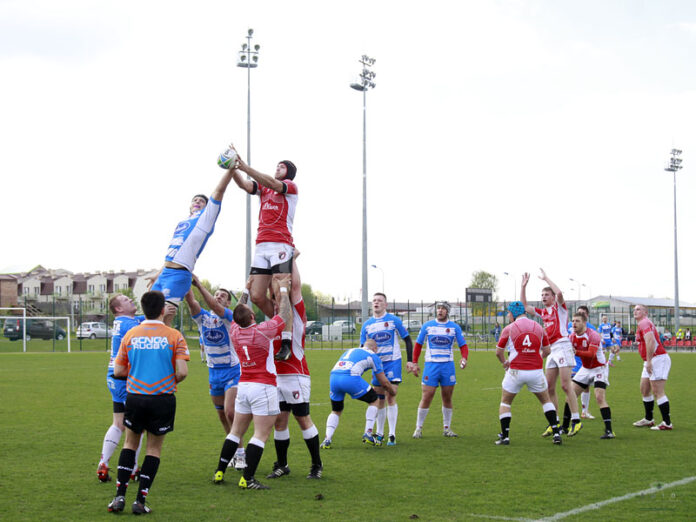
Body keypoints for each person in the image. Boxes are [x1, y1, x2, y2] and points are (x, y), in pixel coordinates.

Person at [107, 291, 189, 515]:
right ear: (163, 310)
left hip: (135, 396)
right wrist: (164, 378)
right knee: (153, 449)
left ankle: (119, 497)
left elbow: (118, 370)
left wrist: (139, 376)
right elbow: (182, 372)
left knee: (129, 444)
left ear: (143, 310)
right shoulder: (175, 336)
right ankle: (140, 501)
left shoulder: (131, 334)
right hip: (162, 398)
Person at [212, 274, 292, 490]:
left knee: (235, 431)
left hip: (244, 386)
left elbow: (237, 312)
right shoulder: (262, 332)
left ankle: (219, 472)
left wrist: (246, 291)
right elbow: (284, 315)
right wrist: (283, 291)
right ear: (252, 316)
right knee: (261, 434)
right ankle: (247, 478)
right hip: (263, 387)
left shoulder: (235, 331)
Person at [230, 148, 298, 360]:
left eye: (282, 166)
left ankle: (286, 341)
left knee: (281, 292)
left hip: (281, 244)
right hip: (261, 245)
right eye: (277, 165)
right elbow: (244, 184)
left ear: (288, 173)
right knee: (257, 295)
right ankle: (278, 323)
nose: (278, 167)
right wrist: (231, 167)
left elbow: (273, 183)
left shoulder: (290, 187)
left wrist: (245, 166)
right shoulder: (264, 189)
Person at [149, 164, 235, 324]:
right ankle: (152, 348)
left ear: (207, 207)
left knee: (165, 317)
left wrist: (231, 170)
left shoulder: (205, 219)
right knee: (151, 316)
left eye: (202, 201)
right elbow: (173, 253)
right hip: (165, 273)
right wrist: (157, 274)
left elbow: (218, 191)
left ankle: (167, 348)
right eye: (195, 200)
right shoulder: (182, 223)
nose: (198, 201)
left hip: (179, 274)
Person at [265, 259, 323, 480]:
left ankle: (316, 465)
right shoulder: (273, 315)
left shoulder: (296, 313)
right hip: (276, 377)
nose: (277, 295)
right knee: (280, 420)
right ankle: (282, 465)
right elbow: (266, 291)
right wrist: (272, 269)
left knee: (302, 418)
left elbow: (295, 286)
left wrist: (293, 261)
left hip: (296, 375)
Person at [184, 276, 246, 469]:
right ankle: (233, 450)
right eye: (217, 294)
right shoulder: (203, 318)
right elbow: (191, 301)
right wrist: (185, 279)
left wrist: (200, 285)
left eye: (223, 296)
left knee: (230, 411)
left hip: (232, 370)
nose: (218, 297)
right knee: (221, 416)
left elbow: (215, 306)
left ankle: (242, 454)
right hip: (214, 372)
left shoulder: (229, 315)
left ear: (228, 302)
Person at [521, 269, 582, 437]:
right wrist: (523, 286)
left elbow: (560, 292)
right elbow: (525, 306)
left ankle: (576, 420)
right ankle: (554, 423)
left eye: (547, 294)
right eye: (542, 295)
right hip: (552, 350)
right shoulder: (543, 312)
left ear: (553, 297)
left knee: (565, 385)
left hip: (563, 346)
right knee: (548, 387)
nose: (544, 297)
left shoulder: (560, 309)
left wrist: (546, 278)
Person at [494, 302, 562, 445]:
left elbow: (498, 352)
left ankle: (505, 436)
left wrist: (504, 362)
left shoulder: (509, 328)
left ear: (513, 313)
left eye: (508, 313)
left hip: (515, 371)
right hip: (535, 371)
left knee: (505, 402)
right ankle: (556, 433)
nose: (507, 315)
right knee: (546, 401)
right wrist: (536, 358)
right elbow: (548, 351)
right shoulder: (538, 327)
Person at [97, 294, 144, 483]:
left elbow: (146, 317)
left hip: (114, 376)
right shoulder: (127, 325)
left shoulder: (124, 321)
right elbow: (148, 325)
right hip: (124, 377)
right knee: (135, 426)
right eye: (126, 300)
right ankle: (132, 468)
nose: (131, 300)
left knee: (118, 423)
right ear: (118, 309)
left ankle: (104, 462)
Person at [320, 339, 397, 448]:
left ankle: (327, 440)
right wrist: (392, 391)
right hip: (350, 377)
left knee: (336, 410)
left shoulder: (351, 350)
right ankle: (368, 433)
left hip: (334, 377)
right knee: (375, 400)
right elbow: (383, 382)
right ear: (375, 348)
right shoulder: (374, 356)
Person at [359, 292, 414, 446]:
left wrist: (410, 361)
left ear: (385, 304)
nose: (376, 303)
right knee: (379, 399)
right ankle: (380, 433)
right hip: (377, 365)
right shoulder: (367, 325)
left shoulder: (393, 320)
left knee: (391, 395)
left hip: (393, 362)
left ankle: (392, 434)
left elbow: (408, 340)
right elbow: (362, 348)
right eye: (374, 300)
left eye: (379, 301)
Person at [411, 301, 468, 439]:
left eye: (443, 308)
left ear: (447, 311)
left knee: (447, 397)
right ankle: (418, 428)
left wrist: (464, 358)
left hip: (448, 366)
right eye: (438, 308)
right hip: (431, 365)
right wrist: (414, 362)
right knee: (427, 396)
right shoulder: (428, 326)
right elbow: (418, 345)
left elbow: (463, 345)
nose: (440, 310)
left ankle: (447, 428)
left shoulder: (454, 327)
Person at [566, 312, 615, 439]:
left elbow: (592, 353)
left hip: (599, 368)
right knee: (570, 396)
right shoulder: (572, 336)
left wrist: (576, 352)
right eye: (573, 321)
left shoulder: (593, 335)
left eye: (577, 321)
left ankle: (609, 431)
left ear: (584, 323)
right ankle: (565, 427)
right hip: (585, 369)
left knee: (599, 397)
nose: (574, 323)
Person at [632, 304, 673, 430]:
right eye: (634, 309)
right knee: (644, 389)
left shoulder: (644, 322)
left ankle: (667, 423)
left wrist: (649, 361)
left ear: (645, 312)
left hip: (657, 359)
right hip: (650, 360)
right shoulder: (642, 324)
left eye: (638, 309)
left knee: (657, 391)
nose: (635, 311)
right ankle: (648, 419)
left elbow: (651, 341)